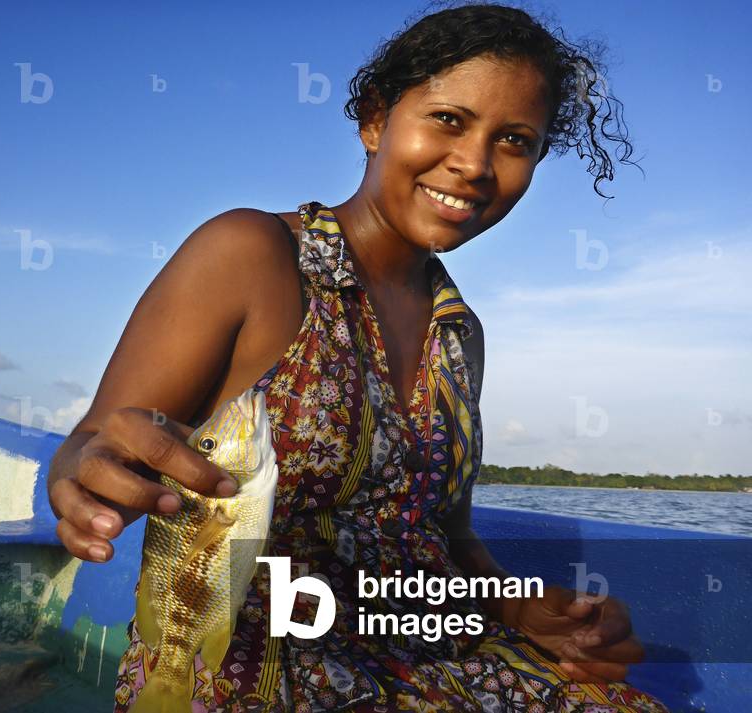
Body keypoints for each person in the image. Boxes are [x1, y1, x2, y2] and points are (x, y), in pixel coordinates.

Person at [47, 2, 669, 710]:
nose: (471, 164)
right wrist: (84, 472)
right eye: (448, 119)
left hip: (427, 647)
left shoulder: (458, 333)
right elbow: (100, 439)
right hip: (247, 657)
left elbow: (443, 535)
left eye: (514, 140)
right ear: (375, 119)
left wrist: (521, 608)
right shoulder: (250, 254)